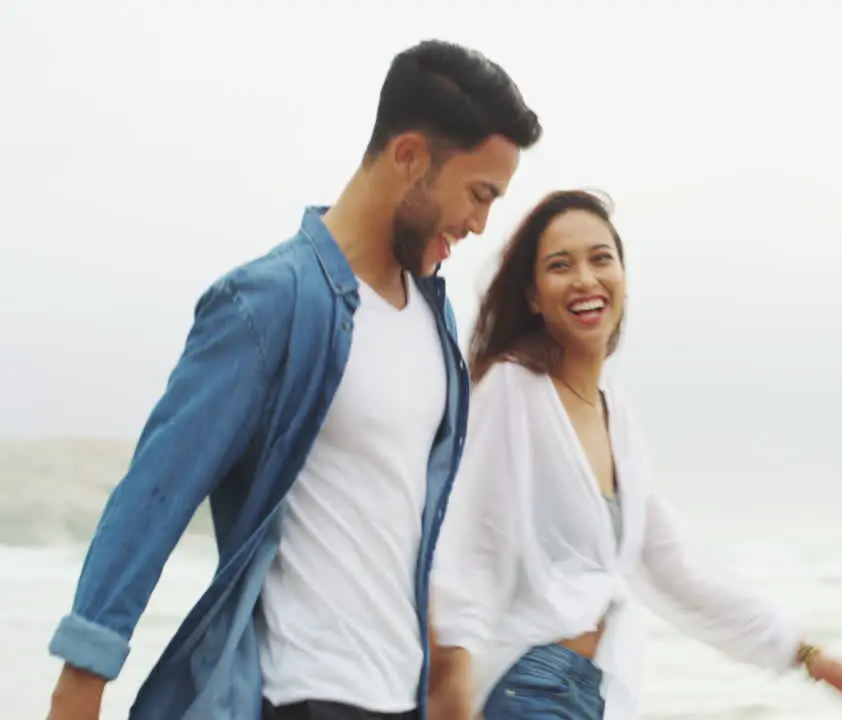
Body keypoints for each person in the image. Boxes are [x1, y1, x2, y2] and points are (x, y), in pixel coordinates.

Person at [45, 40, 541, 720]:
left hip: (398, 698)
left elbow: (406, 522)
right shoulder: (269, 304)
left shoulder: (434, 318)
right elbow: (153, 494)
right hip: (298, 695)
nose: (481, 224)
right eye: (478, 194)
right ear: (409, 158)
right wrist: (83, 680)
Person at [425, 190, 842, 719]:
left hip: (591, 693)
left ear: (622, 274)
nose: (586, 280)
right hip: (527, 689)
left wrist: (802, 654)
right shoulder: (512, 391)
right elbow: (467, 555)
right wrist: (451, 699)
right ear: (532, 295)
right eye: (559, 265)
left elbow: (674, 563)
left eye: (601, 258)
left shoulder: (614, 411)